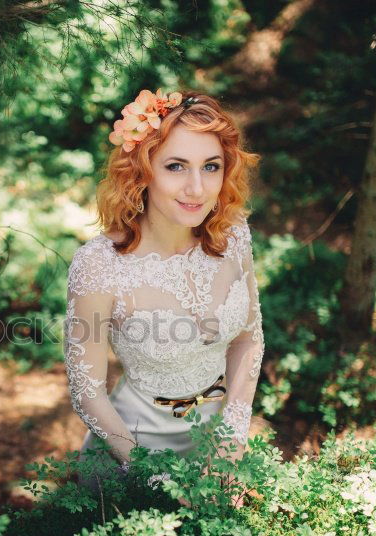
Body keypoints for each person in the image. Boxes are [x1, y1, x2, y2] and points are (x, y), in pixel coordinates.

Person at [63, 88, 264, 498]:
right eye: (176, 166)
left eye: (211, 167)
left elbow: (248, 337)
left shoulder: (234, 235)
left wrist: (233, 431)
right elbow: (87, 391)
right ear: (142, 170)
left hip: (215, 453)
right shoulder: (100, 265)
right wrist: (148, 471)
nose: (196, 187)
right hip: (128, 459)